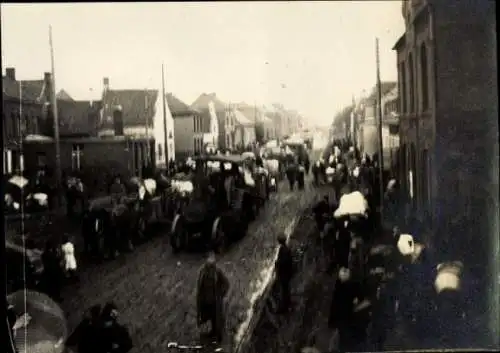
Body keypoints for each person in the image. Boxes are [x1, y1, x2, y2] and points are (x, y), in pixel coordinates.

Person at [196, 252, 230, 343]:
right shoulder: (202, 272)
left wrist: (221, 294)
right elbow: (199, 286)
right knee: (210, 316)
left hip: (215, 300)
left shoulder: (217, 272)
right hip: (206, 299)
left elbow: (226, 284)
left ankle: (219, 335)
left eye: (211, 265)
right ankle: (213, 331)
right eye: (208, 266)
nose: (210, 268)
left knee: (217, 317)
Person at [275, 233, 294, 313]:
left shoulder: (283, 250)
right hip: (287, 273)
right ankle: (287, 304)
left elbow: (283, 262)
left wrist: (277, 263)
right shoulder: (286, 248)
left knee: (285, 290)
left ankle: (286, 306)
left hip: (284, 274)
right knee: (285, 289)